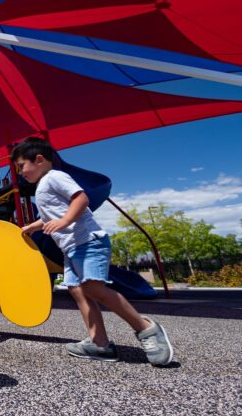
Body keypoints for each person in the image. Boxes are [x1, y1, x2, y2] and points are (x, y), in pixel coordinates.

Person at [12, 137, 173, 365]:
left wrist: (65, 221)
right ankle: (99, 343)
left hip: (87, 242)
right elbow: (50, 216)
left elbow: (81, 198)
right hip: (71, 248)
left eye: (21, 166)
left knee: (93, 287)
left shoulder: (55, 177)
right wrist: (33, 226)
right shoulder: (43, 186)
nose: (20, 173)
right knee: (78, 291)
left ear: (39, 160)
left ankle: (147, 329)